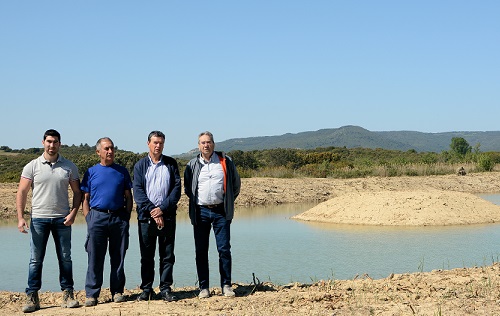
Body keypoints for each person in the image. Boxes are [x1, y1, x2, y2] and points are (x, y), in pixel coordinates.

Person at [16, 129, 82, 313]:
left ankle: (68, 294)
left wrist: (74, 213)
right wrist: (21, 218)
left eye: (55, 142)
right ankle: (32, 296)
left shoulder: (69, 166)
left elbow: (77, 192)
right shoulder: (32, 166)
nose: (52, 145)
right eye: (49, 141)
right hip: (38, 218)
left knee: (66, 258)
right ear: (43, 142)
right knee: (35, 260)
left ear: (60, 144)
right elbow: (22, 192)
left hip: (63, 219)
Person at [184, 131, 241, 298]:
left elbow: (235, 185)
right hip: (200, 212)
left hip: (220, 212)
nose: (206, 145)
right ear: (198, 145)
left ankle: (226, 285)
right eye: (202, 142)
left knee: (224, 249)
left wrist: (228, 200)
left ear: (213, 144)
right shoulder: (192, 164)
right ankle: (204, 288)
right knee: (201, 250)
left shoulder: (225, 161)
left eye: (208, 142)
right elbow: (188, 188)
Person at [81, 137, 133, 306]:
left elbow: (128, 196)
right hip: (97, 217)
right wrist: (89, 218)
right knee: (95, 257)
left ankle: (117, 291)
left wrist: (125, 217)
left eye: (112, 148)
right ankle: (92, 294)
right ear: (98, 152)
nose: (110, 151)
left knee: (118, 256)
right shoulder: (91, 172)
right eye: (106, 149)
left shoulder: (122, 171)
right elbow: (85, 198)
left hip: (118, 218)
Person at [133, 131, 181, 302]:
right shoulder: (140, 166)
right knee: (147, 255)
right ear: (148, 143)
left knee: (167, 255)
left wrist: (162, 209)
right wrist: (154, 211)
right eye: (155, 142)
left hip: (167, 216)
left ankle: (166, 289)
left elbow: (176, 190)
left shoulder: (171, 163)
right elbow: (138, 192)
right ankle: (146, 289)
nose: (158, 145)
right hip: (146, 218)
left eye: (161, 142)